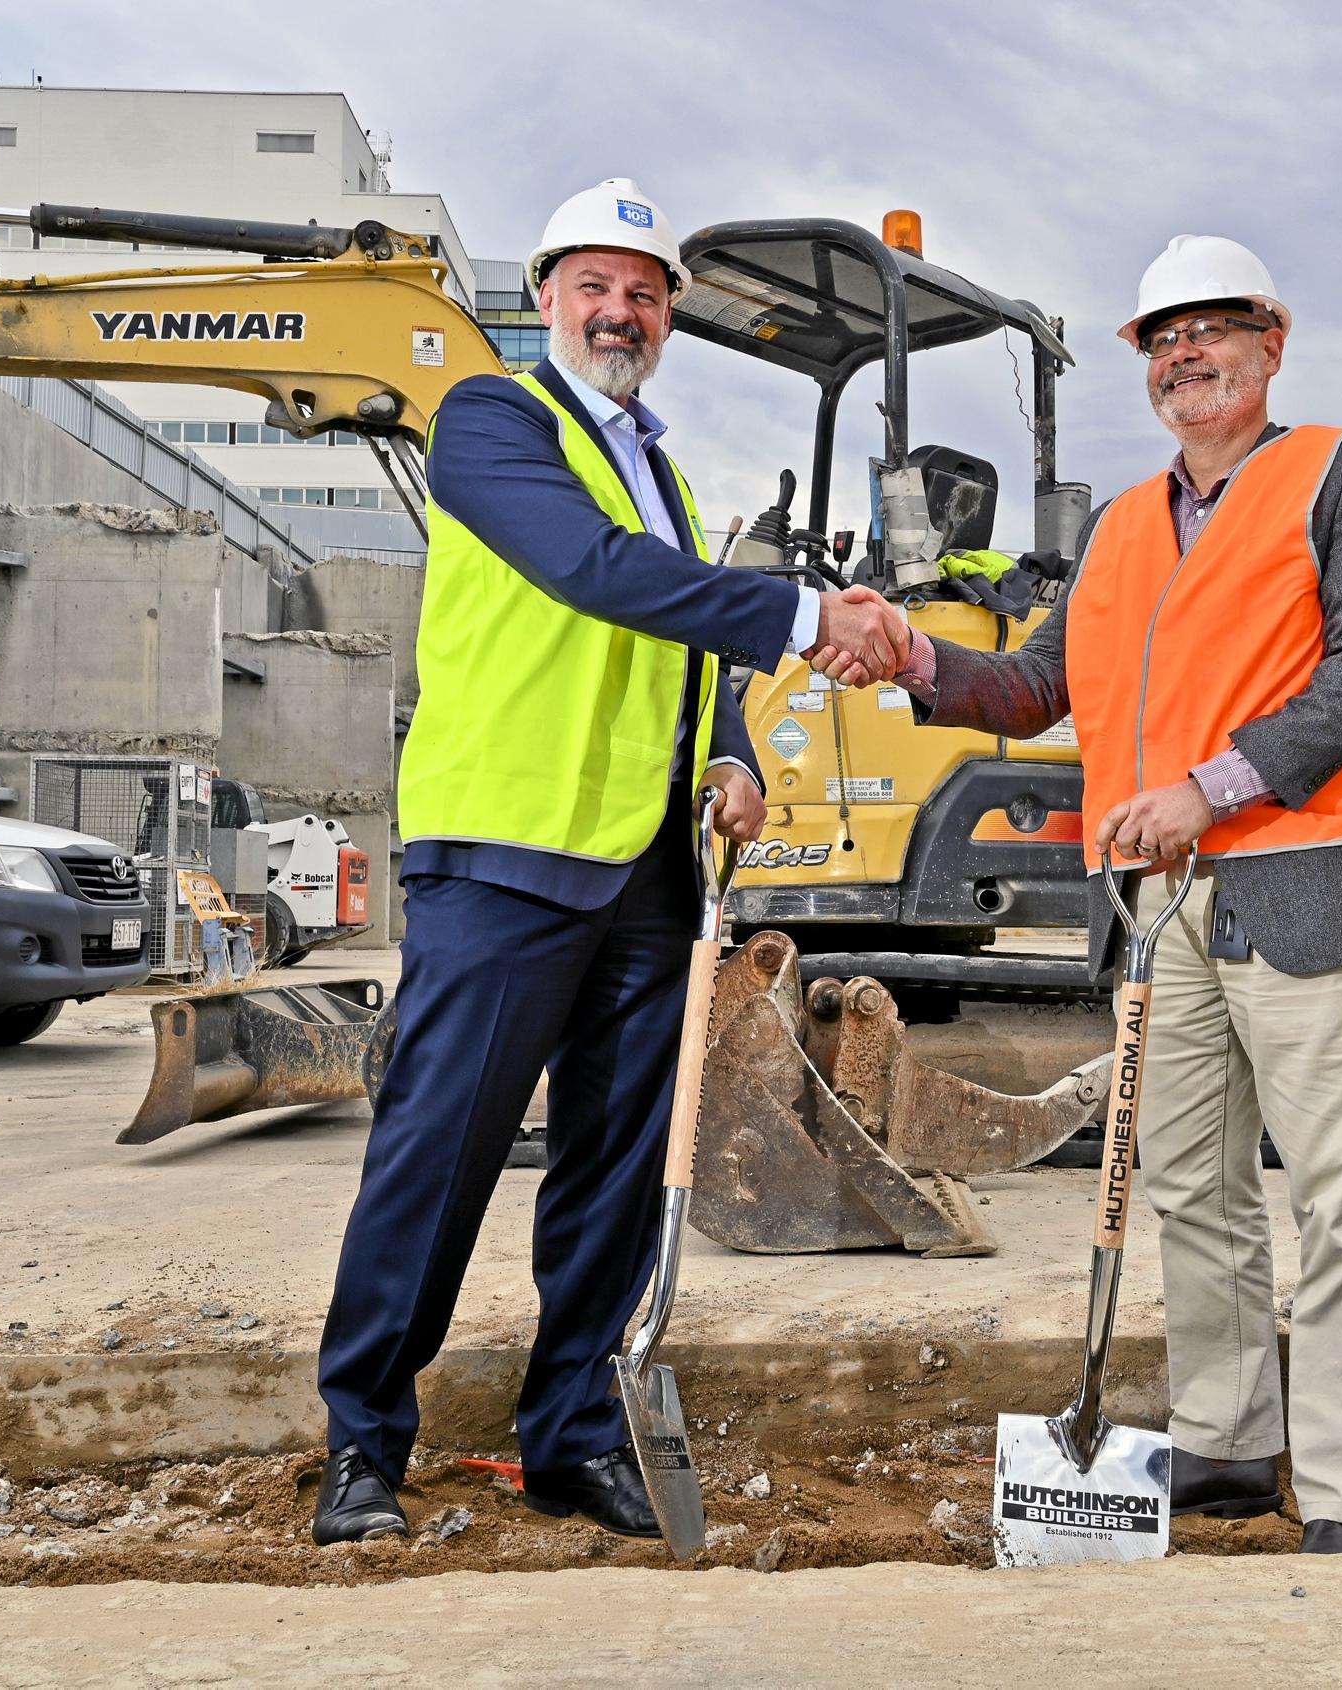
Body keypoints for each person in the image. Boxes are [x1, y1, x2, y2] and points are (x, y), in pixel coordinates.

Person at [814, 234, 1342, 1553]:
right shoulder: (1121, 529)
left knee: (1337, 1196)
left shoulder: (1338, 472)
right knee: (1189, 1185)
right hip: (1160, 909)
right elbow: (1035, 686)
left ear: (1270, 342)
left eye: (1211, 328)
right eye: (1161, 337)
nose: (1183, 354)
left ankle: (1340, 1494)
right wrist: (913, 649)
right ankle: (1223, 1437)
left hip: (1307, 882)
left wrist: (1212, 786)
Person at [312, 179, 910, 1545]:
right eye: (596, 284)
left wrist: (735, 750)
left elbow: (685, 644)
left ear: (667, 317)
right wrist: (804, 613)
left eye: (644, 291)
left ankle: (573, 1431)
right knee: (440, 1151)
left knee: (618, 1166)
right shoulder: (492, 422)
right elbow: (590, 572)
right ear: (547, 296)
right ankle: (363, 1439)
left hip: (646, 869)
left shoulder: (667, 469)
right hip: (507, 851)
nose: (621, 309)